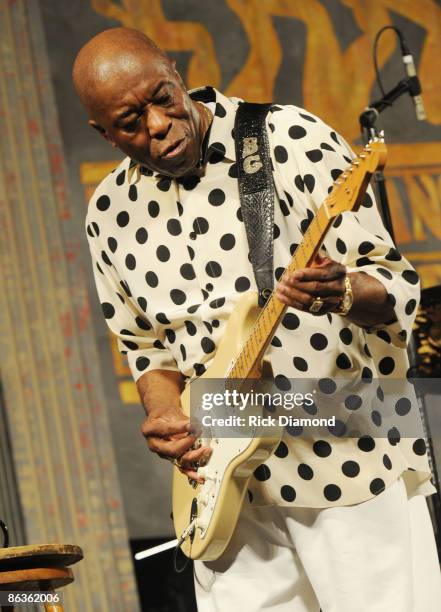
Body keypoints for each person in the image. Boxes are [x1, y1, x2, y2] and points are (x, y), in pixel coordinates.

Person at [73, 27, 441, 611]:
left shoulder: (286, 137)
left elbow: (397, 287)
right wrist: (166, 414)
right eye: (130, 122)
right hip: (224, 489)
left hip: (348, 449)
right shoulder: (109, 212)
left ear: (175, 70)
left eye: (163, 98)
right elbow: (145, 347)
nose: (159, 125)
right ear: (103, 133)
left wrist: (341, 290)